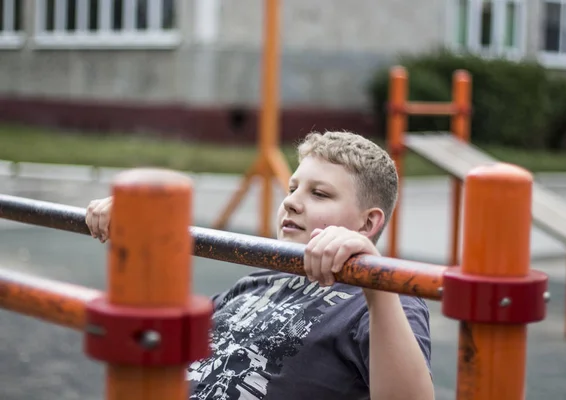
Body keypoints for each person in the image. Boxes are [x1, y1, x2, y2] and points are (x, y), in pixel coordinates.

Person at [85, 131, 434, 400]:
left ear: (367, 224)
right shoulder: (255, 283)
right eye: (293, 187)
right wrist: (141, 231)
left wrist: (377, 283)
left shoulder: (384, 300)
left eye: (319, 194)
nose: (292, 202)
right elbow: (160, 344)